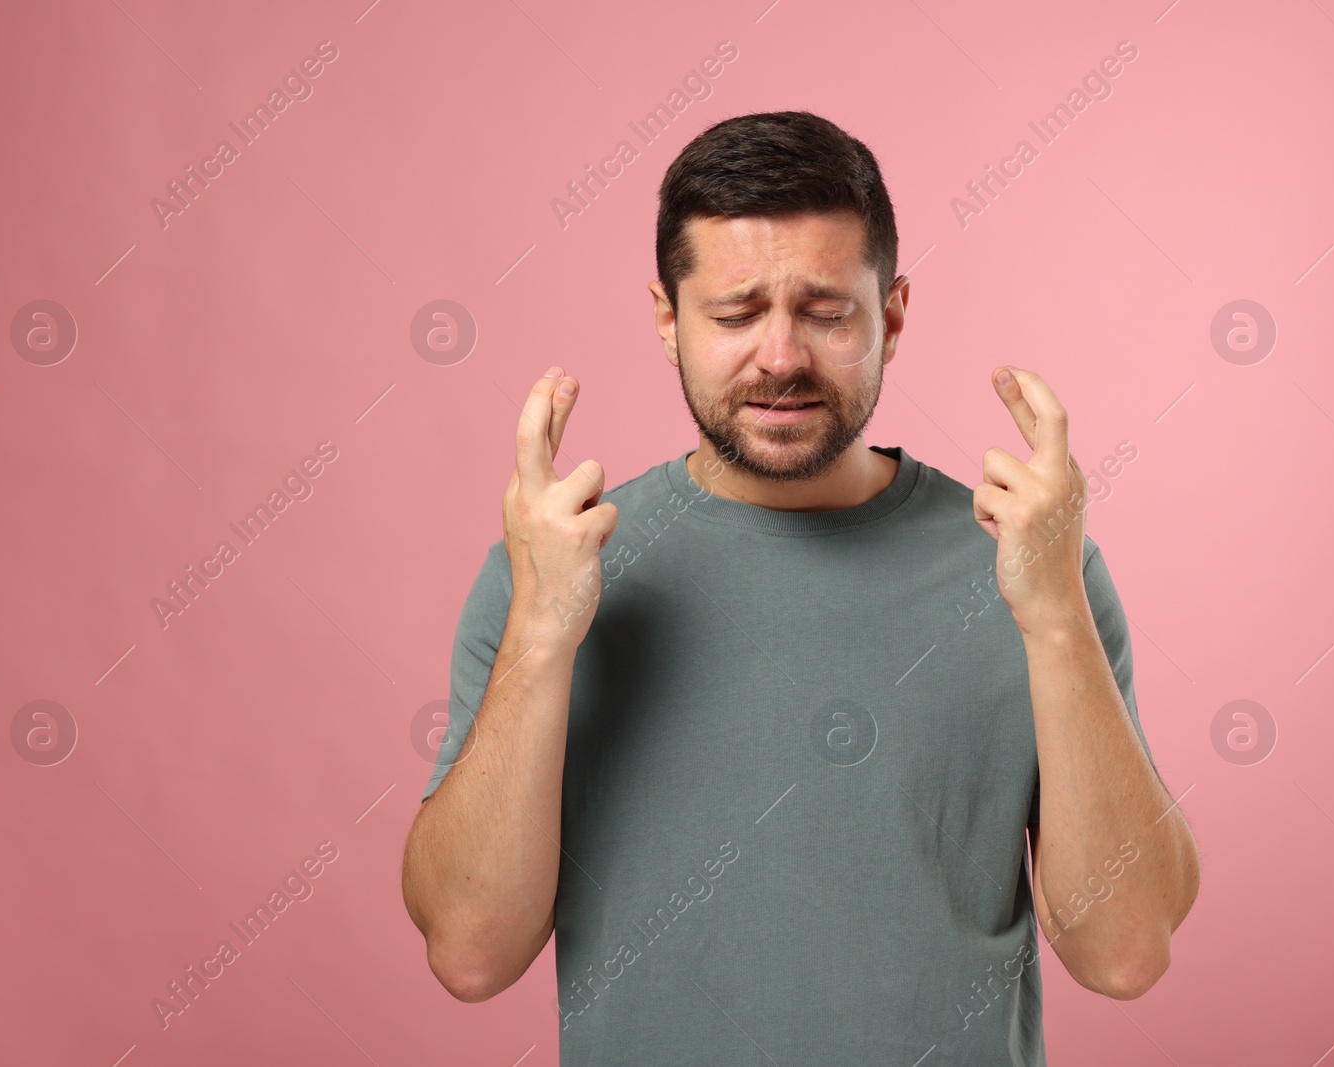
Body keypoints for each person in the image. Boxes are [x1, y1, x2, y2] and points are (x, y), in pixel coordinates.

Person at [400, 109, 1200, 1065]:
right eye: (736, 314)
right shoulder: (554, 564)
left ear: (892, 317)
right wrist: (541, 632)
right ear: (667, 320)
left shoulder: (1033, 566)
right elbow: (471, 952)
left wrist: (1056, 614)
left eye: (826, 313)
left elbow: (1125, 952)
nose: (781, 357)